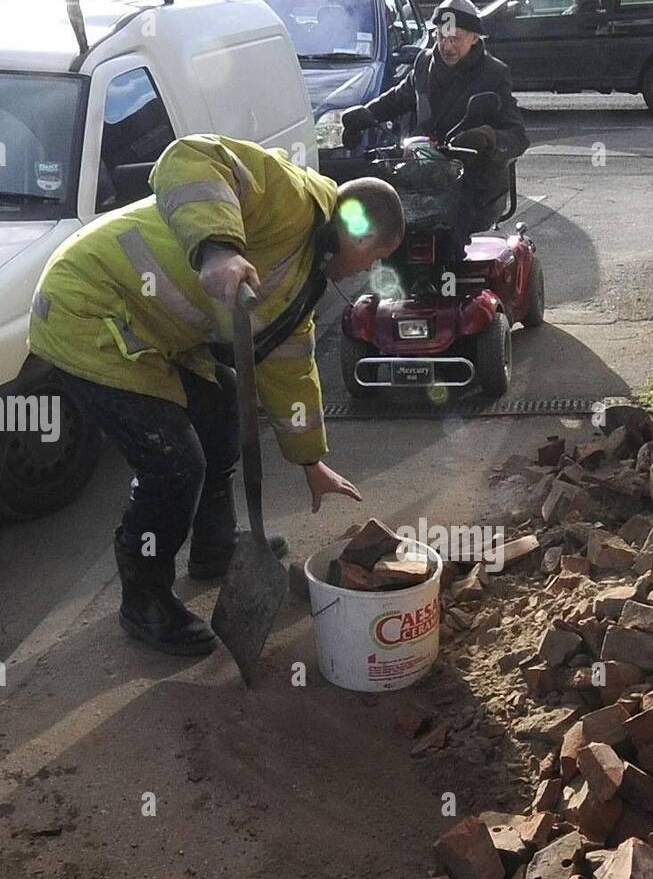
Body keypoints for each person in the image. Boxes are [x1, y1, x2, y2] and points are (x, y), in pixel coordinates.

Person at [28, 134, 404, 657]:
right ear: (361, 231)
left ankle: (214, 546)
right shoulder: (292, 197)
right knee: (174, 464)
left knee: (223, 408)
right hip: (87, 311)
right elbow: (193, 155)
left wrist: (309, 460)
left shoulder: (307, 268)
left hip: (152, 332)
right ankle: (144, 601)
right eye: (375, 257)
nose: (366, 270)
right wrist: (218, 248)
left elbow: (288, 364)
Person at [340, 0, 528, 252]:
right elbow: (399, 98)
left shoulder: (494, 73)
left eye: (455, 39)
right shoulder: (424, 62)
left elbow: (518, 136)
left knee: (449, 242)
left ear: (474, 38)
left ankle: (449, 286)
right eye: (441, 37)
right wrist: (364, 115)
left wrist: (487, 137)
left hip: (471, 182)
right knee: (386, 228)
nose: (447, 47)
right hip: (419, 175)